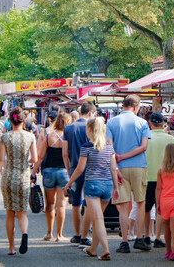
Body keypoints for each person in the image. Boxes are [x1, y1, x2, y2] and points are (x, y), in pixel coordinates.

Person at [64, 117, 120, 260]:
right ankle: (93, 248)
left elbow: (80, 169)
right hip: (107, 184)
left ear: (89, 130)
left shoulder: (87, 147)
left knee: (98, 219)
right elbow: (113, 168)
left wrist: (69, 182)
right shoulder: (109, 147)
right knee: (97, 218)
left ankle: (106, 249)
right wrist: (116, 188)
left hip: (93, 185)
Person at [106, 94, 151, 253]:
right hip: (139, 166)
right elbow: (143, 146)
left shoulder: (111, 122)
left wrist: (117, 163)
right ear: (136, 107)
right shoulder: (142, 122)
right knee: (140, 203)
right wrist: (126, 155)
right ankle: (139, 238)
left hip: (119, 168)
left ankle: (124, 242)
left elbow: (109, 148)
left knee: (123, 207)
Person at [0, 107, 37, 255]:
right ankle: (24, 233)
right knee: (22, 212)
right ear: (23, 121)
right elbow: (34, 159)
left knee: (10, 213)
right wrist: (25, 160)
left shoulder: (5, 137)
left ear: (10, 120)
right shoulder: (30, 137)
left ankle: (11, 247)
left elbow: (0, 160)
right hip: (23, 177)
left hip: (9, 177)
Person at [62, 101, 98, 247]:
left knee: (75, 203)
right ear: (90, 113)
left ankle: (76, 234)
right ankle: (84, 236)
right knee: (89, 203)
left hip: (74, 167)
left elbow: (65, 153)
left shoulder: (68, 128)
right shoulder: (92, 127)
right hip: (90, 169)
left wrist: (69, 171)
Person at [33, 113, 70, 242]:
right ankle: (60, 235)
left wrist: (33, 171)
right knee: (61, 205)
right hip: (64, 172)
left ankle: (49, 233)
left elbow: (41, 156)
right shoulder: (68, 137)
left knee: (50, 204)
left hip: (48, 171)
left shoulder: (49, 136)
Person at [144, 112, 174, 248]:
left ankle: (146, 235)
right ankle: (157, 237)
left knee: (146, 208)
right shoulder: (170, 138)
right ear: (163, 124)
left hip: (147, 176)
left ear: (150, 123)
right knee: (161, 208)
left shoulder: (145, 138)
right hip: (165, 178)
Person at [155, 143, 174, 261]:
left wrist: (158, 203)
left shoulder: (161, 171)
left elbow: (158, 188)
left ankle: (168, 250)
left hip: (165, 201)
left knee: (167, 227)